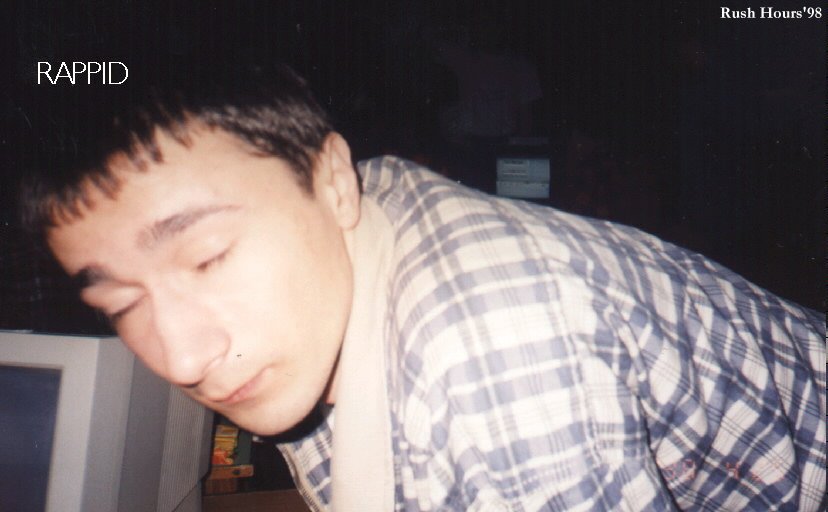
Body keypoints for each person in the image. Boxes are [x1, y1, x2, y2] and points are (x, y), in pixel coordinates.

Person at [18, 65, 825, 511]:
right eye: (121, 305)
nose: (183, 357)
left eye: (208, 258)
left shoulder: (494, 350)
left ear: (333, 180)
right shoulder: (344, 245)